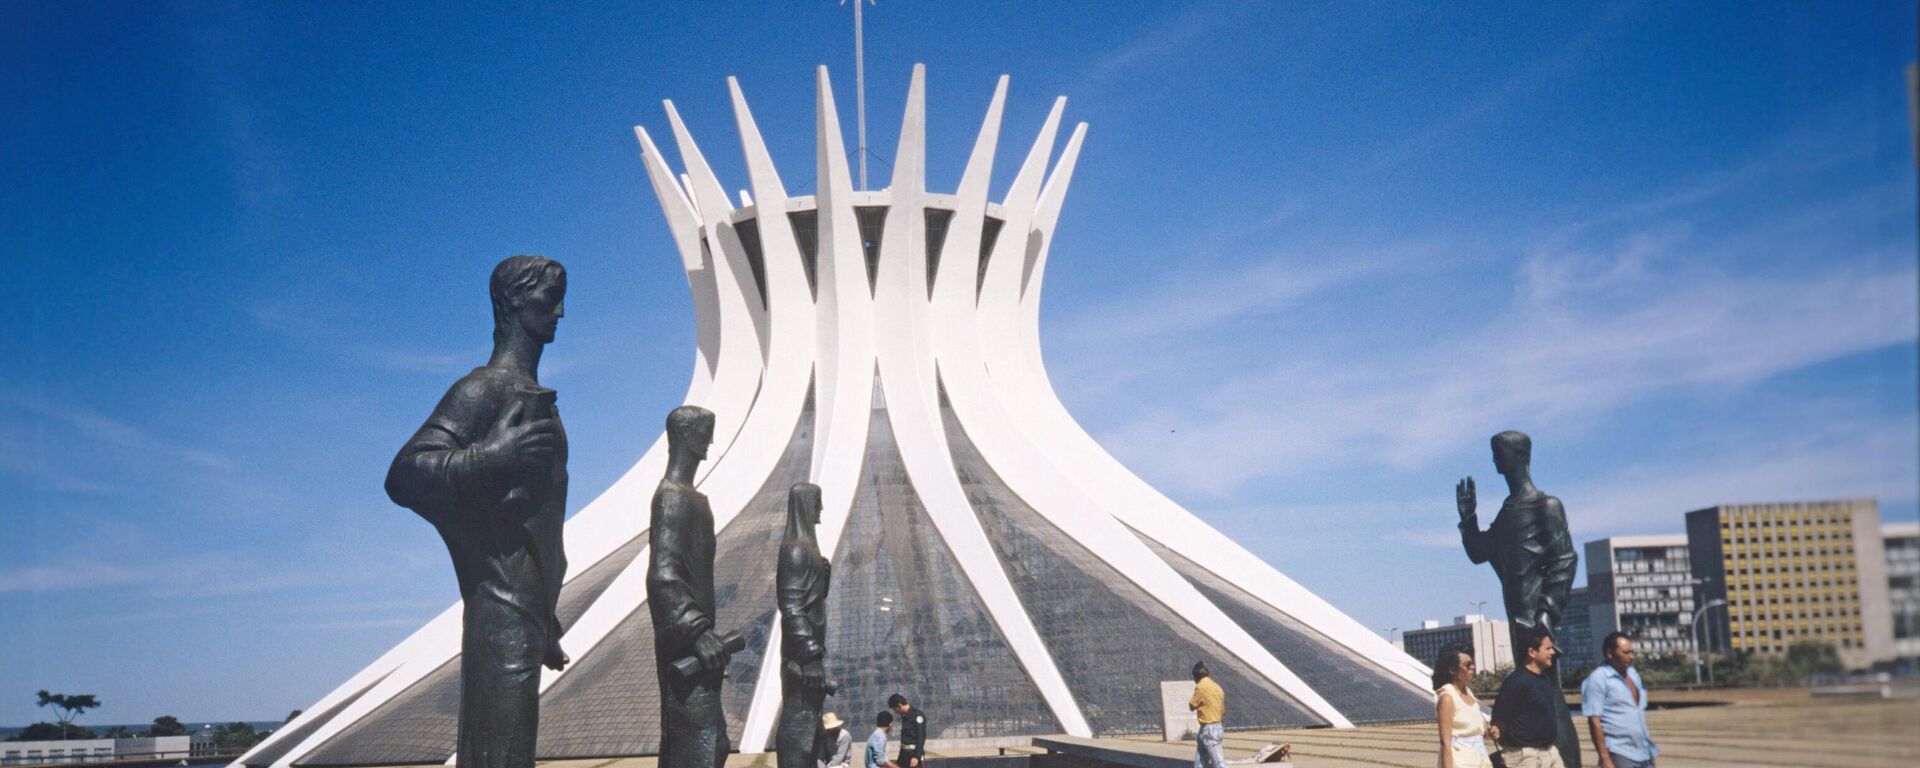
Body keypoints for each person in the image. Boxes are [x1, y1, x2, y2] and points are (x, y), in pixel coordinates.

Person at [385, 255, 570, 768]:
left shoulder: (541, 403)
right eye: (550, 297)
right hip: (498, 609)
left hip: (524, 612)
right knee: (498, 754)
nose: (560, 312)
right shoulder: (483, 389)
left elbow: (529, 527)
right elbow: (406, 473)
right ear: (514, 301)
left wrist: (543, 615)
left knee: (510, 752)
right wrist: (494, 457)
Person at [648, 405, 734, 768]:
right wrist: (698, 631)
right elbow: (662, 574)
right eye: (704, 432)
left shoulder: (696, 500)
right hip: (688, 650)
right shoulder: (672, 496)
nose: (710, 442)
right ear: (684, 437)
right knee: (697, 746)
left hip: (702, 651)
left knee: (715, 745)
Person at [777, 484, 833, 768]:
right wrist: (810, 655)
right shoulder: (796, 550)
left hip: (810, 656)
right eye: (817, 502)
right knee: (800, 726)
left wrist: (823, 581)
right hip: (802, 661)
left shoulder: (808, 550)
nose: (820, 508)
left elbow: (810, 602)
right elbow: (792, 607)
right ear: (804, 506)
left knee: (811, 728)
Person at [1491, 627, 1566, 768]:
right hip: (1526, 756)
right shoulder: (1516, 681)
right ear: (1532, 652)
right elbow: (1499, 718)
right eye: (1548, 648)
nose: (1553, 652)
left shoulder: (1545, 679)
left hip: (1550, 751)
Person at [1581, 634, 1659, 768]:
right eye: (1626, 652)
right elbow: (1594, 722)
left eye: (1632, 652)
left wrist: (1650, 753)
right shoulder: (1597, 679)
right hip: (1620, 753)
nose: (1631, 657)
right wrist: (1605, 758)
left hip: (1644, 752)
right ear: (1610, 653)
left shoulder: (1633, 674)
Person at [1432, 644, 1498, 768]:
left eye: (1472, 663)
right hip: (1460, 762)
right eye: (1467, 665)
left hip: (1480, 759)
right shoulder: (1447, 697)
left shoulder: (1468, 693)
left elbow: (1476, 729)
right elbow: (1445, 742)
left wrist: (1491, 732)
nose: (1472, 667)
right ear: (1452, 670)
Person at [1188, 661, 1226, 768]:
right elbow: (1223, 711)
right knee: (1200, 758)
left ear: (1196, 677)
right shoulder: (1218, 687)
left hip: (1208, 728)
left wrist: (1198, 705)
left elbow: (1191, 705)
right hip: (1217, 726)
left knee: (1218, 762)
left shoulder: (1201, 687)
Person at [887, 694, 926, 768]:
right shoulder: (904, 716)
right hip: (904, 754)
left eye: (895, 709)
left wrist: (916, 756)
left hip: (913, 754)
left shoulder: (917, 715)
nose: (895, 712)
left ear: (899, 705)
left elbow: (921, 737)